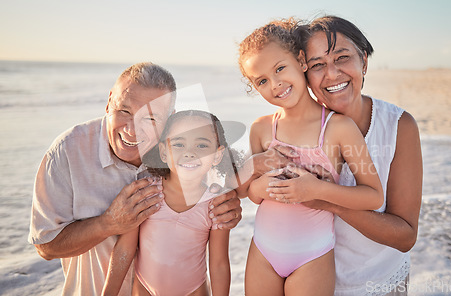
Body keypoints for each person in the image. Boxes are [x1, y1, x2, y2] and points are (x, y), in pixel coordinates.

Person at [28, 62, 242, 296]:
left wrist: (231, 201)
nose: (132, 129)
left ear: (168, 120)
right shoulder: (67, 151)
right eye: (124, 111)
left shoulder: (179, 154)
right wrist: (109, 222)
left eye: (150, 119)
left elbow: (216, 176)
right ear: (109, 101)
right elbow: (46, 247)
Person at [251, 16, 423, 295]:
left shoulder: (397, 126)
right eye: (318, 65)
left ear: (363, 61)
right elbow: (227, 181)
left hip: (377, 282)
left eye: (342, 58)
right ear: (303, 69)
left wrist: (326, 199)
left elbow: (405, 236)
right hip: (304, 279)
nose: (331, 75)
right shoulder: (279, 129)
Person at [103, 110, 242, 296]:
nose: (189, 153)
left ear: (217, 155)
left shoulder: (216, 205)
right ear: (163, 152)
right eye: (178, 144)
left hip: (195, 291)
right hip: (144, 290)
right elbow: (124, 249)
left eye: (201, 145)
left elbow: (218, 264)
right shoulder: (146, 193)